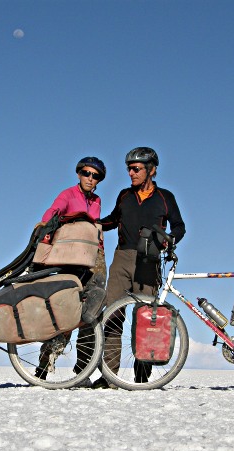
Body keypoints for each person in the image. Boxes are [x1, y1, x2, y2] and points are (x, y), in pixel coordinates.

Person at [92, 147, 185, 388]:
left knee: (145, 319)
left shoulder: (166, 197)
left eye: (136, 169)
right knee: (112, 314)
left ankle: (141, 378)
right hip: (122, 258)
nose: (131, 173)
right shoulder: (124, 195)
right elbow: (113, 219)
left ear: (151, 170)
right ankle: (109, 376)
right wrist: (93, 224)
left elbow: (179, 226)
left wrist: (166, 241)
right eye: (129, 169)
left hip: (148, 262)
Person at [35, 157, 108, 384]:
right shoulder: (68, 194)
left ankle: (82, 372)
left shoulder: (97, 200)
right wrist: (43, 225)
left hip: (95, 259)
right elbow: (54, 210)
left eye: (95, 175)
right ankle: (43, 368)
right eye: (86, 173)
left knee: (90, 314)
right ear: (78, 174)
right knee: (65, 312)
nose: (90, 178)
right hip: (71, 258)